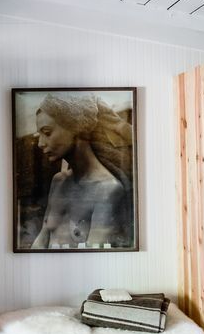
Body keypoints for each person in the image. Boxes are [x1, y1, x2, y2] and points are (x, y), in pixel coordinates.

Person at [31, 93, 134, 249]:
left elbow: (94, 256)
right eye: (39, 135)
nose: (40, 144)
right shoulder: (58, 181)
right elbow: (41, 240)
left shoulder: (107, 190)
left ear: (77, 127)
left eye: (47, 133)